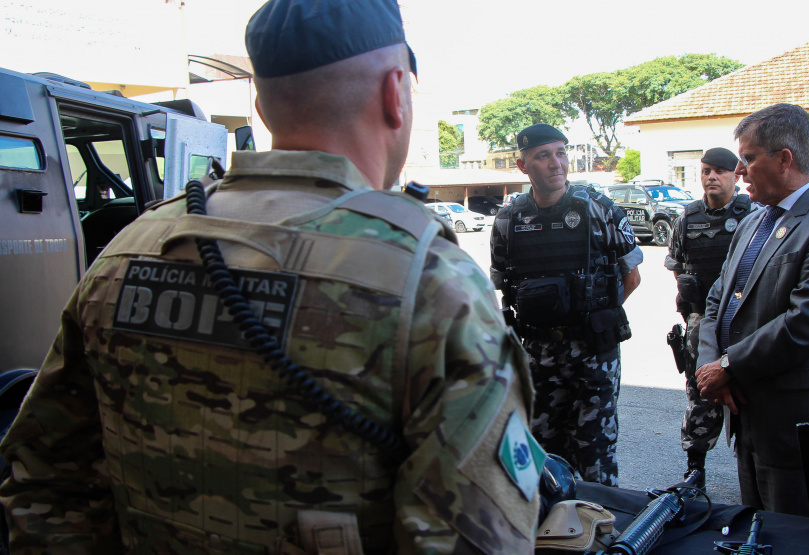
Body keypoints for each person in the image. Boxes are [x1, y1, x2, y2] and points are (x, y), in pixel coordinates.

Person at [0, 1, 543, 553]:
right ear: (395, 92)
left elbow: (45, 483)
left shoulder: (126, 250)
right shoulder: (431, 281)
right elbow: (478, 540)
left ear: (260, 106)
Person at [695, 103, 809, 516]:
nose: (738, 171)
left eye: (749, 158)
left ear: (785, 159)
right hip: (747, 414)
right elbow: (717, 300)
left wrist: (728, 365)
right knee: (759, 533)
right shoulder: (753, 223)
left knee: (802, 535)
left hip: (799, 426)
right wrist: (713, 372)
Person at [490, 124, 643, 487]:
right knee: (540, 455)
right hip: (539, 355)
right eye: (543, 155)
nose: (556, 163)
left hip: (594, 352)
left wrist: (594, 312)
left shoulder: (600, 210)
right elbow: (503, 285)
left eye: (561, 152)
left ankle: (598, 535)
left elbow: (631, 277)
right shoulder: (508, 221)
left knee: (596, 454)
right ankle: (549, 535)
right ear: (522, 165)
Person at [664, 147, 755, 493]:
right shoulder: (686, 219)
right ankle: (694, 470)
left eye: (720, 171)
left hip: (746, 324)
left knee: (749, 395)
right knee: (701, 394)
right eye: (705, 171)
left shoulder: (755, 215)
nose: (711, 177)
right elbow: (678, 269)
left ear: (735, 175)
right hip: (702, 323)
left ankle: (754, 468)